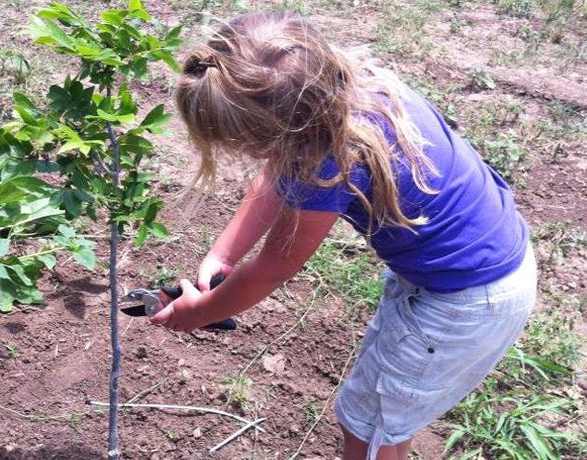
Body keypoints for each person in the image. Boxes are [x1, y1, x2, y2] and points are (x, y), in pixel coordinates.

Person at [151, 11, 537, 460]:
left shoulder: (328, 161)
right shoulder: (342, 91)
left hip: (465, 301)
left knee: (370, 428)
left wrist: (201, 311)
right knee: (379, 411)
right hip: (465, 273)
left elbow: (274, 267)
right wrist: (224, 252)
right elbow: (281, 169)